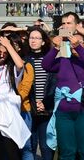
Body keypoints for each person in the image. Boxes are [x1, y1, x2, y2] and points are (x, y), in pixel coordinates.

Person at [42, 27, 84, 159]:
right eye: (72, 42)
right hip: (63, 114)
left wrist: (79, 48)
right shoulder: (64, 60)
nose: (75, 45)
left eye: (80, 42)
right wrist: (55, 48)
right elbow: (46, 65)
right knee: (66, 153)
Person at [25, 26, 55, 160]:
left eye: (37, 38)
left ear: (43, 41)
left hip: (46, 108)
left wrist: (45, 103)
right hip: (29, 108)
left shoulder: (50, 59)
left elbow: (53, 84)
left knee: (46, 146)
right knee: (30, 144)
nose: (33, 40)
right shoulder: (24, 59)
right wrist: (33, 103)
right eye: (31, 37)